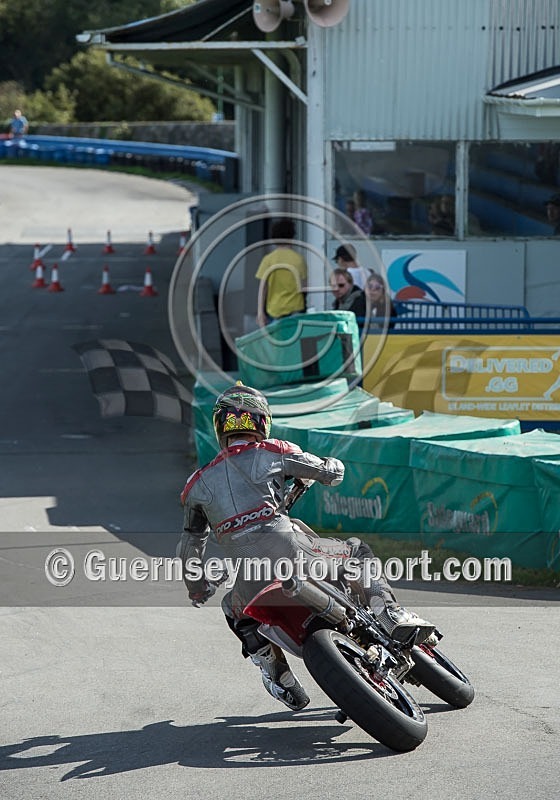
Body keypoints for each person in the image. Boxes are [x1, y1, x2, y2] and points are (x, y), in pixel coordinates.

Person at [178, 384, 437, 711]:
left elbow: (190, 547)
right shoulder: (274, 450)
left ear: (220, 428)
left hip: (249, 581)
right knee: (356, 550)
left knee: (233, 610)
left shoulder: (196, 484)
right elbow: (329, 472)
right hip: (296, 554)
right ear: (262, 422)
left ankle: (277, 673)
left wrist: (198, 588)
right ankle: (389, 612)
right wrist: (332, 468)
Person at [255, 218, 307, 327]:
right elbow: (304, 286)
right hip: (295, 309)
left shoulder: (268, 260)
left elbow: (263, 288)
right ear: (292, 236)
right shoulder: (299, 259)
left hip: (275, 309)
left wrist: (260, 312)